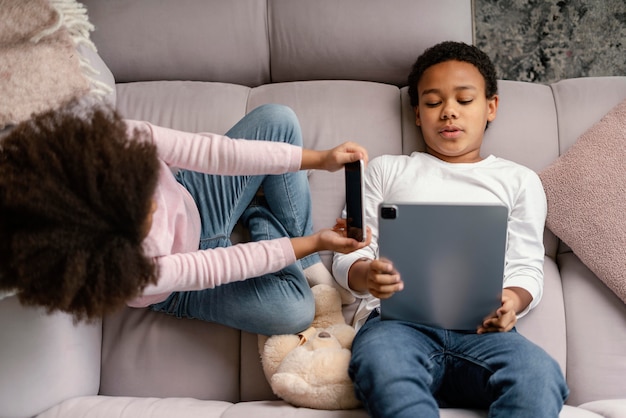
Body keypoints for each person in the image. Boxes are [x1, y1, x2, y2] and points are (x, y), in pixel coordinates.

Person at [332, 41, 569, 417]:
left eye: (464, 100)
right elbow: (349, 254)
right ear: (416, 114)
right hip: (396, 326)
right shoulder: (385, 171)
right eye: (432, 103)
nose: (448, 113)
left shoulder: (519, 181)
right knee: (383, 367)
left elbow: (527, 267)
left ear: (491, 106)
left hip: (484, 331)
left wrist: (512, 300)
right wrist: (366, 276)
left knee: (540, 376)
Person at [0, 100, 369, 336]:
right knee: (293, 312)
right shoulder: (130, 272)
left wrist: (321, 159)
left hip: (197, 192)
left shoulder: (122, 140)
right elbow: (218, 265)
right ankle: (262, 215)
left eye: (147, 193)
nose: (158, 207)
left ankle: (293, 249)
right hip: (183, 286)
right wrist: (317, 241)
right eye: (146, 221)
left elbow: (212, 152)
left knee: (279, 119)